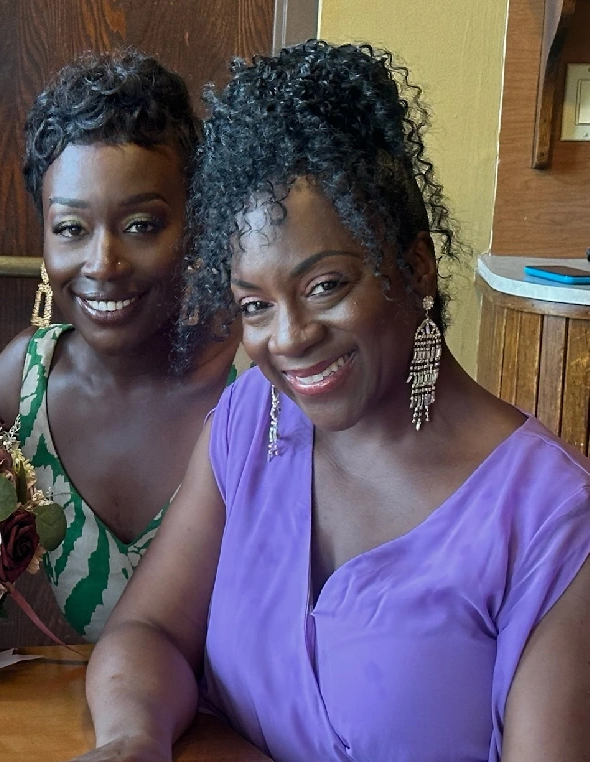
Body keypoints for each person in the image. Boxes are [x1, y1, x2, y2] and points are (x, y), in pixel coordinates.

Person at [75, 40, 590, 761]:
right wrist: (132, 740)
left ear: (414, 267)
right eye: (253, 305)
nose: (287, 339)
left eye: (325, 287)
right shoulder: (252, 421)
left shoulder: (550, 522)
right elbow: (150, 632)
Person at [0, 50, 239, 643]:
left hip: (237, 733)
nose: (104, 264)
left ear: (195, 224)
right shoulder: (22, 385)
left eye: (142, 225)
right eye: (71, 229)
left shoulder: (253, 384)